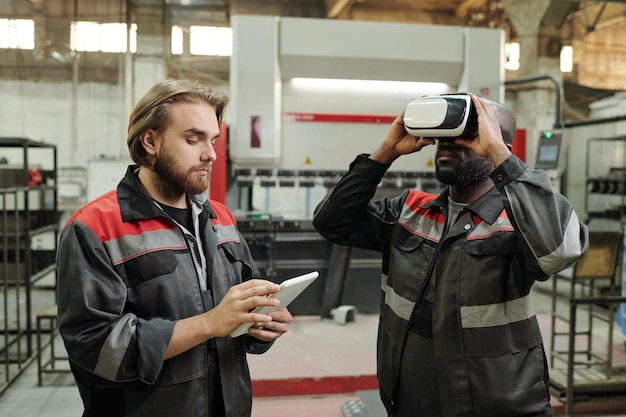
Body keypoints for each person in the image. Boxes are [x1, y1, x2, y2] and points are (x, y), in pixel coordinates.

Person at [312, 93, 588, 417]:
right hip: (408, 398)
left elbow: (561, 250)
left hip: (493, 404)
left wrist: (499, 155)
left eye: (470, 134)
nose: (450, 143)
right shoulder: (410, 210)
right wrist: (384, 153)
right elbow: (331, 222)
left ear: (501, 149)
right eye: (445, 136)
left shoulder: (519, 223)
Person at [56, 78, 293, 417]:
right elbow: (94, 346)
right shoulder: (96, 227)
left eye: (213, 140)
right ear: (150, 140)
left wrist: (263, 325)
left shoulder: (220, 218)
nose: (210, 154)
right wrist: (210, 323)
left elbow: (241, 315)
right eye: (192, 139)